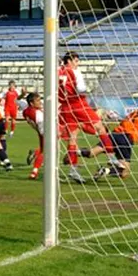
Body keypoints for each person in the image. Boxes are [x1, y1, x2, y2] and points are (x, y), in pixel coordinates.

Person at [59, 51, 115, 184]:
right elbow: (80, 88)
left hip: (65, 107)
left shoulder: (58, 71)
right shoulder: (74, 72)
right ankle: (112, 158)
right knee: (100, 127)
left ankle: (73, 170)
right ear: (70, 61)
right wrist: (87, 89)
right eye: (76, 61)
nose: (78, 64)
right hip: (78, 104)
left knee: (73, 138)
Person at [81, 100, 138, 181]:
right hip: (125, 139)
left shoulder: (134, 113)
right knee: (125, 172)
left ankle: (75, 152)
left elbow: (125, 124)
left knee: (91, 153)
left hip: (114, 135)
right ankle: (106, 170)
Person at [22, 93, 45, 180]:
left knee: (44, 150)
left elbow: (30, 122)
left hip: (40, 131)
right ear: (32, 103)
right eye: (38, 101)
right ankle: (34, 172)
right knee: (45, 152)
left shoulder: (26, 111)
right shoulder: (38, 113)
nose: (40, 102)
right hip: (46, 131)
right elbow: (43, 123)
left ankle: (35, 153)